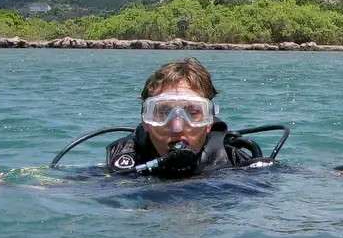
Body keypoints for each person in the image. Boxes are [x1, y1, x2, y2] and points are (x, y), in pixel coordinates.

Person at [100, 58, 270, 178]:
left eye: (193, 113)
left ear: (209, 121)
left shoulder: (234, 163)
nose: (177, 127)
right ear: (146, 121)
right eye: (164, 112)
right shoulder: (124, 165)